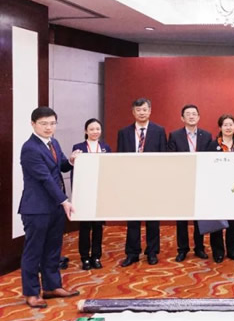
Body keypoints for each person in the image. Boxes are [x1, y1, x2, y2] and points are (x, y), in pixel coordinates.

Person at [20, 106, 80, 308]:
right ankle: (31, 293)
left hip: (55, 207)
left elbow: (60, 165)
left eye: (52, 123)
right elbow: (45, 179)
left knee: (53, 249)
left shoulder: (53, 142)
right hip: (37, 208)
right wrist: (65, 201)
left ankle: (52, 286)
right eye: (44, 124)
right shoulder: (30, 148)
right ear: (33, 124)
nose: (48, 127)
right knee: (34, 251)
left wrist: (71, 160)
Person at [117, 98, 167, 267]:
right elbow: (120, 158)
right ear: (133, 112)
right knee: (133, 218)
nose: (142, 113)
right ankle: (132, 253)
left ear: (150, 111)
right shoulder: (124, 132)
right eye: (138, 110)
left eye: (145, 109)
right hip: (132, 181)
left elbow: (164, 157)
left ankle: (152, 252)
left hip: (152, 181)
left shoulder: (159, 131)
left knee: (153, 219)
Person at [168, 104, 213, 262]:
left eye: (194, 114)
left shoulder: (206, 136)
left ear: (199, 117)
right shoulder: (175, 135)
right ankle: (182, 249)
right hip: (182, 181)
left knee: (199, 216)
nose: (191, 116)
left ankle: (199, 247)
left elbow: (209, 159)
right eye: (188, 114)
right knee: (182, 218)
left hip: (200, 180)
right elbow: (171, 159)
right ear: (182, 118)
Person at [71, 118, 112, 271]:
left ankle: (96, 256)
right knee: (85, 226)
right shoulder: (79, 147)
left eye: (97, 129)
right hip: (84, 191)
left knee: (98, 227)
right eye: (92, 129)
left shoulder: (105, 147)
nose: (95, 132)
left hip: (99, 191)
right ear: (86, 131)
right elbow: (74, 169)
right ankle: (85, 257)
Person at [206, 114, 234, 262]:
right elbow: (207, 166)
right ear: (220, 127)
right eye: (225, 125)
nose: (228, 127)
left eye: (230, 125)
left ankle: (232, 251)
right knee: (218, 221)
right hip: (217, 187)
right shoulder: (212, 146)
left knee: (232, 222)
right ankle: (218, 252)